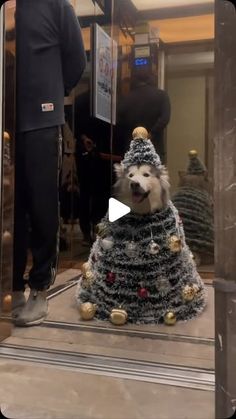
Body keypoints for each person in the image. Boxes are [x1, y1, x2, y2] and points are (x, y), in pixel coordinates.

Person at [13, 0, 86, 326]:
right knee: (11, 208)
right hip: (9, 116)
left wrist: (53, 95)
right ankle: (12, 284)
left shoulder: (57, 5)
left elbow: (76, 60)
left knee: (41, 204)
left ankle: (40, 288)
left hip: (41, 118)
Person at [117, 70, 171, 162]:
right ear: (150, 79)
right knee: (154, 174)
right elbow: (164, 119)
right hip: (154, 147)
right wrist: (152, 133)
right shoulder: (161, 95)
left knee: (133, 175)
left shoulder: (126, 98)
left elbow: (120, 123)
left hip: (132, 148)